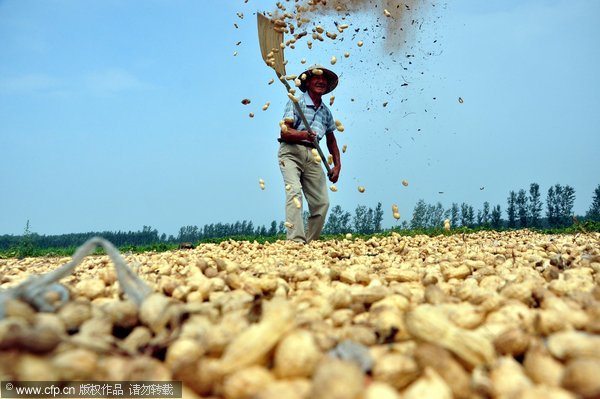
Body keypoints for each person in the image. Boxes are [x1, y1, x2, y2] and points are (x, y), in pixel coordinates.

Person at [278, 64, 341, 244]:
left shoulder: (326, 112)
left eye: (324, 80)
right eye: (317, 78)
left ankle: (310, 242)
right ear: (308, 82)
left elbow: (331, 141)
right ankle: (295, 242)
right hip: (290, 152)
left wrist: (337, 166)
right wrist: (304, 134)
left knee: (322, 202)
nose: (321, 81)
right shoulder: (295, 102)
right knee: (294, 193)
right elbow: (285, 132)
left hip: (313, 155)